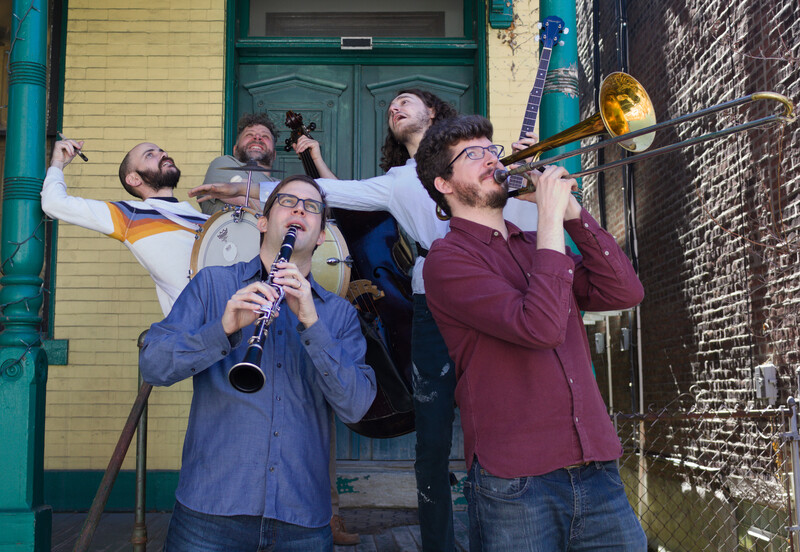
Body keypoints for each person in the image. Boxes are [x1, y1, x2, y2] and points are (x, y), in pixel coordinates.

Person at [189, 89, 541, 552]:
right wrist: (244, 190)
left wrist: (523, 177)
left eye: (406, 101)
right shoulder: (399, 180)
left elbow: (529, 225)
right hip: (432, 306)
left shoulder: (488, 166)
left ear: (433, 112)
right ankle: (440, 543)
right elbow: (328, 194)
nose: (394, 108)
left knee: (504, 417)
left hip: (495, 293)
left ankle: (509, 529)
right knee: (432, 438)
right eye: (390, 105)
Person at [416, 114, 648, 551]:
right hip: (517, 480)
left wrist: (574, 215)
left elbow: (624, 291)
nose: (492, 159)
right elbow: (538, 327)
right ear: (444, 184)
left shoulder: (533, 245)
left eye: (492, 149)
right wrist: (548, 219)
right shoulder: (447, 260)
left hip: (596, 467)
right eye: (473, 154)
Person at [139, 175, 377, 551]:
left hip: (301, 520)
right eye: (287, 202)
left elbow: (356, 405)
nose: (300, 209)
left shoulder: (339, 316)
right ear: (262, 223)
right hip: (210, 511)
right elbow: (153, 364)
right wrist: (223, 329)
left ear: (320, 238)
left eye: (312, 207)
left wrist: (313, 325)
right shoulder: (212, 286)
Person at [41, 140, 208, 316]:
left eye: (161, 150)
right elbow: (53, 203)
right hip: (201, 330)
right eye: (150, 155)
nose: (164, 154)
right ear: (134, 179)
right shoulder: (131, 215)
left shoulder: (205, 219)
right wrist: (58, 163)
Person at [200, 112, 335, 216]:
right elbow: (244, 199)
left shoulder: (283, 185)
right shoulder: (223, 164)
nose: (257, 137)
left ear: (274, 154)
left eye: (265, 136)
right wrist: (299, 207)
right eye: (249, 135)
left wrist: (317, 160)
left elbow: (335, 205)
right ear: (235, 149)